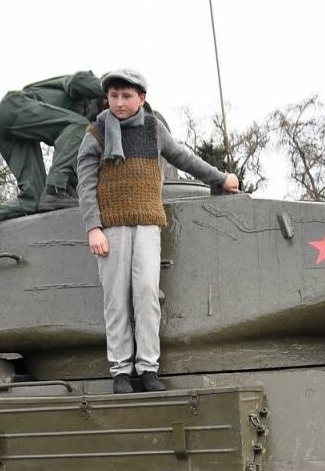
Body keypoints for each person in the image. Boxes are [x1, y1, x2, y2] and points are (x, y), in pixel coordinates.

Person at [78, 69, 240, 392]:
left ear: (141, 98)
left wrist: (219, 177)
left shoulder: (153, 130)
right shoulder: (96, 133)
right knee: (116, 300)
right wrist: (93, 227)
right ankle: (121, 372)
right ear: (106, 98)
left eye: (127, 96)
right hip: (112, 227)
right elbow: (86, 183)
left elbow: (183, 157)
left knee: (147, 293)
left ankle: (148, 367)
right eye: (114, 96)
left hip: (148, 224)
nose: (120, 103)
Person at [0, 70, 107, 255]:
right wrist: (105, 89)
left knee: (34, 200)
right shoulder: (89, 85)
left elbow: (71, 159)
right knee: (79, 126)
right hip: (15, 107)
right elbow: (75, 83)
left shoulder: (90, 126)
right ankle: (54, 190)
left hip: (21, 134)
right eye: (112, 96)